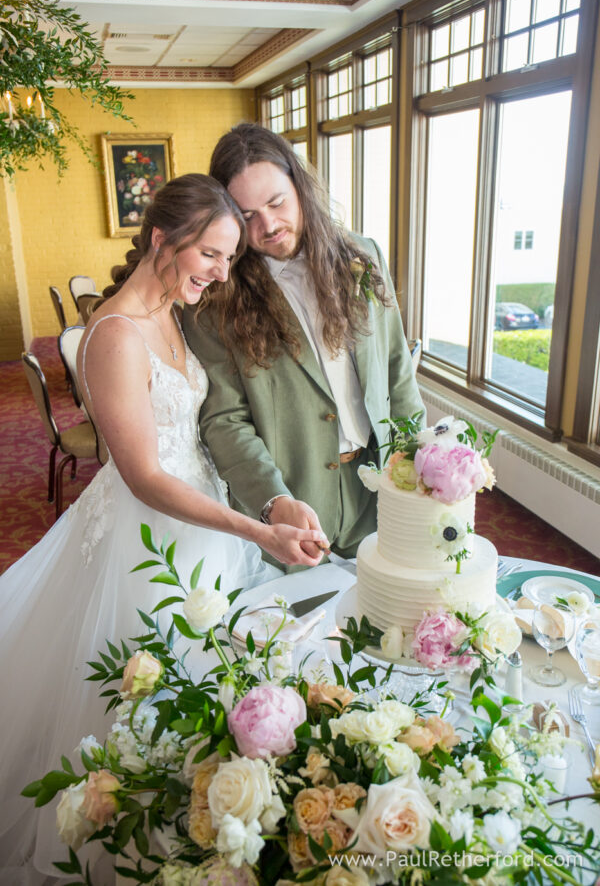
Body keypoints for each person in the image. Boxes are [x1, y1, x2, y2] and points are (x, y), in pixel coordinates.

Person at [0, 173, 326, 884]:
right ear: (162, 239)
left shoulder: (172, 312)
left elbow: (198, 435)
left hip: (202, 524)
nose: (218, 272)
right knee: (144, 701)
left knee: (204, 688)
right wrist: (255, 530)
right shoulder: (114, 336)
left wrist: (273, 507)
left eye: (228, 258)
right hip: (149, 541)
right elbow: (146, 476)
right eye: (210, 253)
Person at [183, 124, 424, 568]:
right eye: (247, 215)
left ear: (300, 185)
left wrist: (419, 462)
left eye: (276, 202)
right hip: (293, 505)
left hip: (382, 486)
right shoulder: (214, 298)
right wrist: (273, 500)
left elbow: (396, 369)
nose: (268, 225)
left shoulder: (362, 255)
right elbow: (224, 420)